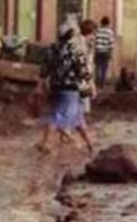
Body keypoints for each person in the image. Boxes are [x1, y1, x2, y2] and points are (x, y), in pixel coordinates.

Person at [37, 20, 95, 154]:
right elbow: (83, 71)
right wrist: (91, 85)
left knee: (78, 118)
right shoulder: (74, 49)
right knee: (58, 117)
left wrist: (39, 87)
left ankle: (90, 145)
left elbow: (43, 70)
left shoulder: (51, 49)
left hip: (55, 86)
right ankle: (44, 143)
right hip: (71, 88)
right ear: (72, 34)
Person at [93, 16, 115, 87]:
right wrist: (111, 54)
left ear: (101, 23)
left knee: (97, 67)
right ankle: (102, 83)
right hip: (106, 52)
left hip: (98, 51)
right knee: (104, 69)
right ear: (108, 23)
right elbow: (111, 44)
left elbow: (94, 41)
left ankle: (97, 81)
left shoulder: (97, 30)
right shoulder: (110, 32)